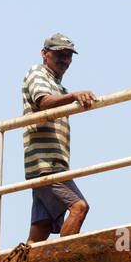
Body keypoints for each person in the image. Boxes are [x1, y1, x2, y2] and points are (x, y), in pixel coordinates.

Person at [22, 33, 98, 243]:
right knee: (79, 207)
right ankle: (63, 255)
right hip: (46, 165)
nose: (64, 59)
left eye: (68, 55)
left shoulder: (58, 86)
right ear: (44, 54)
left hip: (50, 164)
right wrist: (74, 96)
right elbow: (43, 101)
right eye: (59, 54)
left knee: (42, 227)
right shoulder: (38, 73)